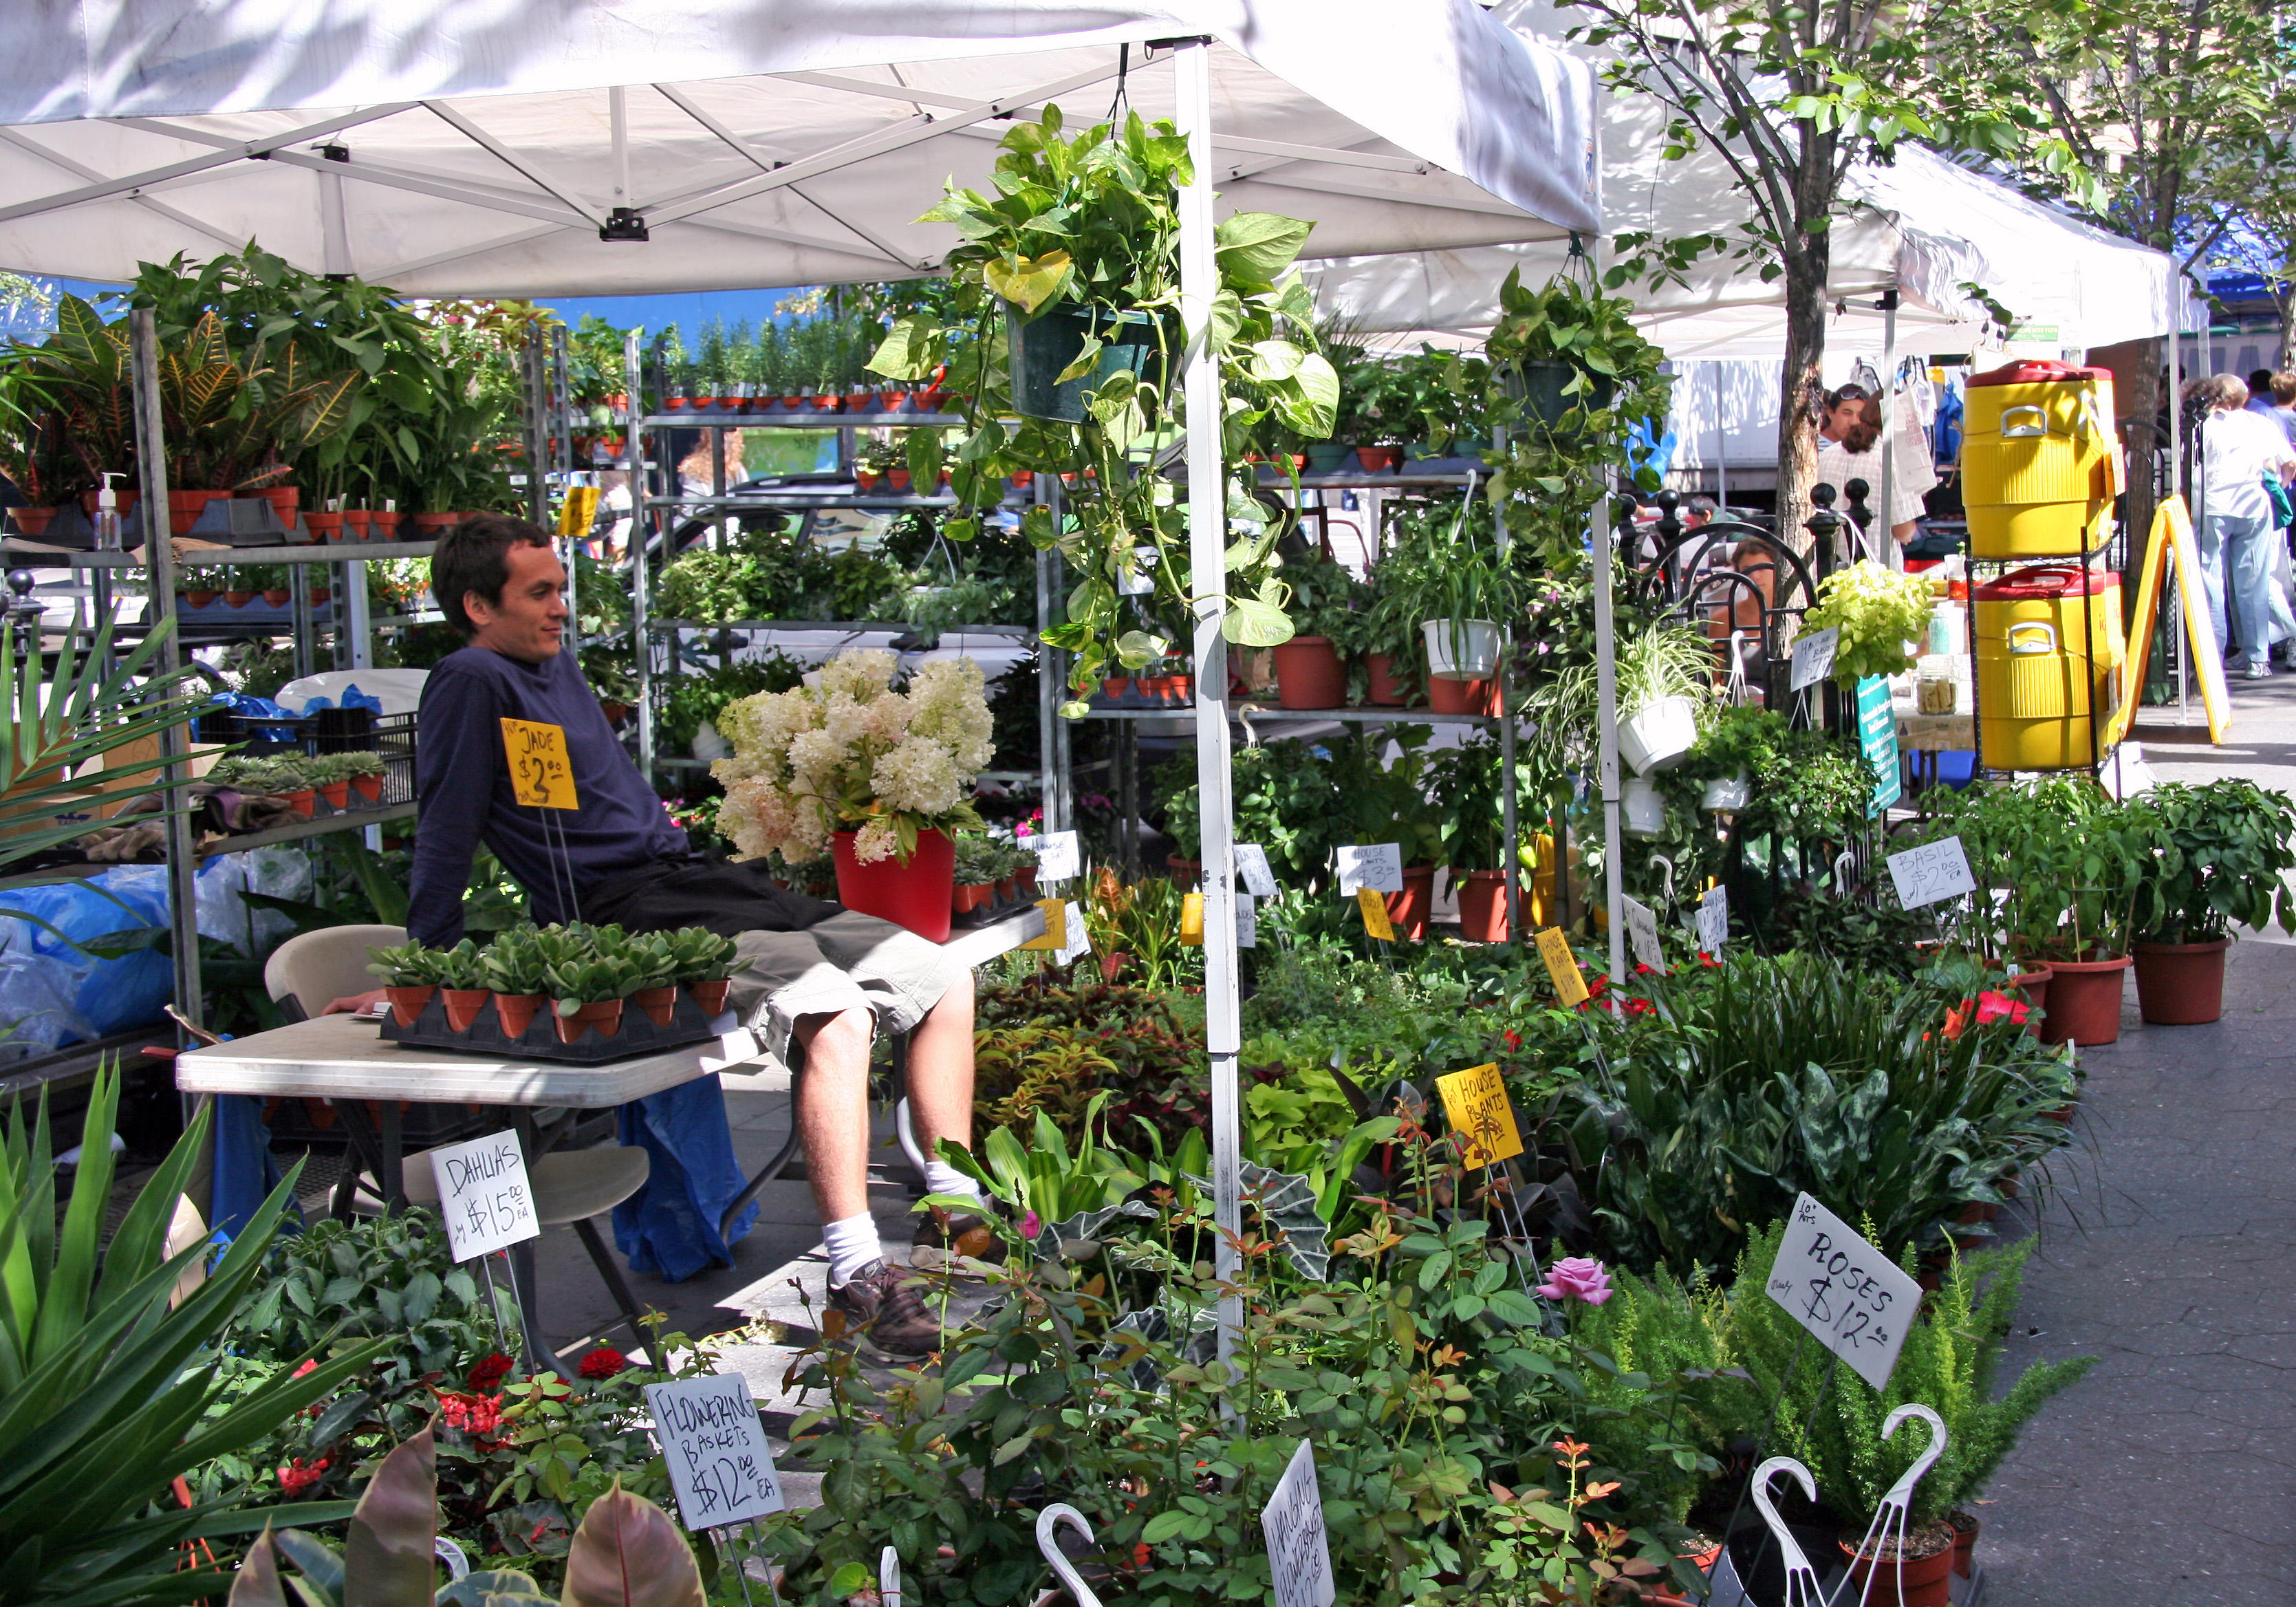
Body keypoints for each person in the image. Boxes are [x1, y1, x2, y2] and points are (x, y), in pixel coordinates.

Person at [332, 515, 986, 1356]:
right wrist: (421, 971)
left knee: (941, 976)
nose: (561, 607)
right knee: (836, 1014)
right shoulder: (468, 679)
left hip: (693, 881)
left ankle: (954, 1212)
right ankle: (856, 1268)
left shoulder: (549, 663)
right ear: (475, 604)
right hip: (630, 910)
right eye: (539, 593)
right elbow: (444, 831)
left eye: (561, 588)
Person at [2192, 375, 2296, 679]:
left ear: (2217, 398)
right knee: (2254, 582)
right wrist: (2277, 487)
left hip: (2213, 505)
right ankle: (2257, 657)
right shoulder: (2259, 423)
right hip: (2254, 503)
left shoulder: (2203, 427)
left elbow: (2191, 467)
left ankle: (2214, 655)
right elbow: (2288, 464)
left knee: (2211, 580)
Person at [1815, 384, 1938, 563]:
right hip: (1877, 574)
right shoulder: (1890, 459)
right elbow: (1904, 533)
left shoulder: (1828, 455)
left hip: (1834, 568)